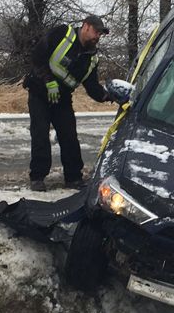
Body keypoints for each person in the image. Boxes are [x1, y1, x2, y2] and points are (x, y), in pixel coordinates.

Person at [23, 15, 112, 191]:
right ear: (85, 26)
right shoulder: (62, 34)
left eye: (100, 35)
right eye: (96, 32)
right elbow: (37, 56)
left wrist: (110, 96)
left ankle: (73, 178)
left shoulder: (92, 58)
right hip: (39, 92)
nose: (97, 37)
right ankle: (37, 177)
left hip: (62, 99)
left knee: (69, 137)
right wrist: (48, 80)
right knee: (40, 133)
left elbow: (92, 86)